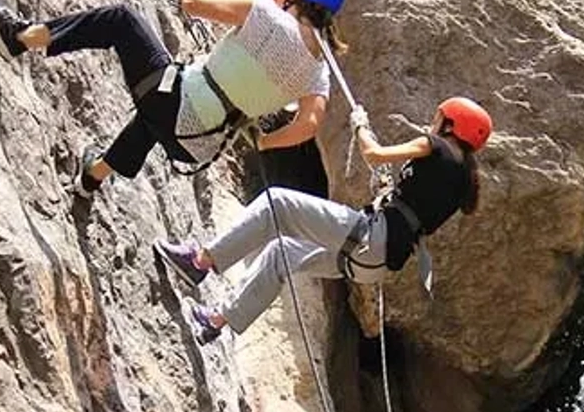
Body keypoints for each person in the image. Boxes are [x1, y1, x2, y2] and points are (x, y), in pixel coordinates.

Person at [153, 97, 492, 342]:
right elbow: (418, 205)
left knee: (278, 203)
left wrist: (360, 126)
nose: (433, 122)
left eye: (439, 117)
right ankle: (215, 321)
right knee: (281, 254)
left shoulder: (433, 145)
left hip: (370, 238)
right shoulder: (464, 178)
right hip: (377, 264)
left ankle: (200, 260)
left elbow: (373, 155)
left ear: (451, 126)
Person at [0, 0, 348, 193]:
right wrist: (265, 144)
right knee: (154, 116)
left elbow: (194, 6)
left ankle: (21, 38)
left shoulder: (267, 12)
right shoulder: (318, 70)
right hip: (197, 145)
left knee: (121, 19)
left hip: (176, 105)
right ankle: (91, 177)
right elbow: (309, 126)